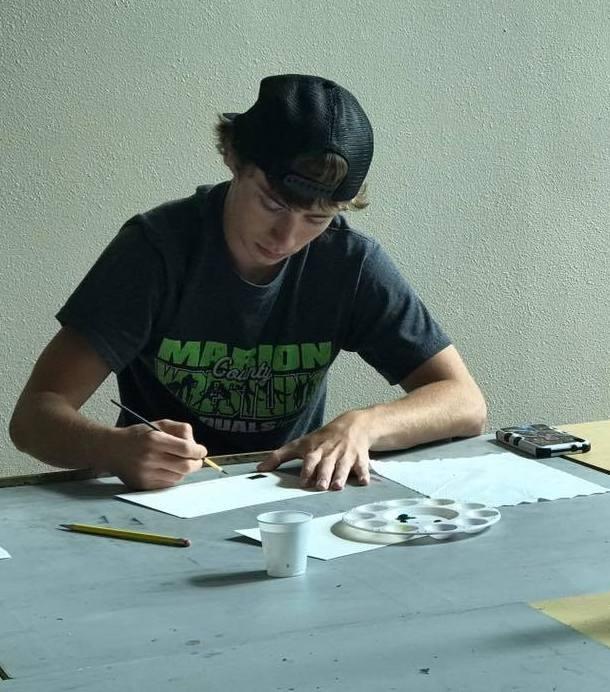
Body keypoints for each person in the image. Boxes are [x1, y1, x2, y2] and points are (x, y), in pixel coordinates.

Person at [9, 74, 487, 492]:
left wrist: (364, 426)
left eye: (316, 219)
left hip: (285, 502)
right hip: (159, 501)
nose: (286, 237)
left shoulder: (349, 262)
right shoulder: (155, 252)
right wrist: (112, 449)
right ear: (234, 158)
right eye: (272, 205)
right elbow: (33, 416)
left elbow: (464, 402)